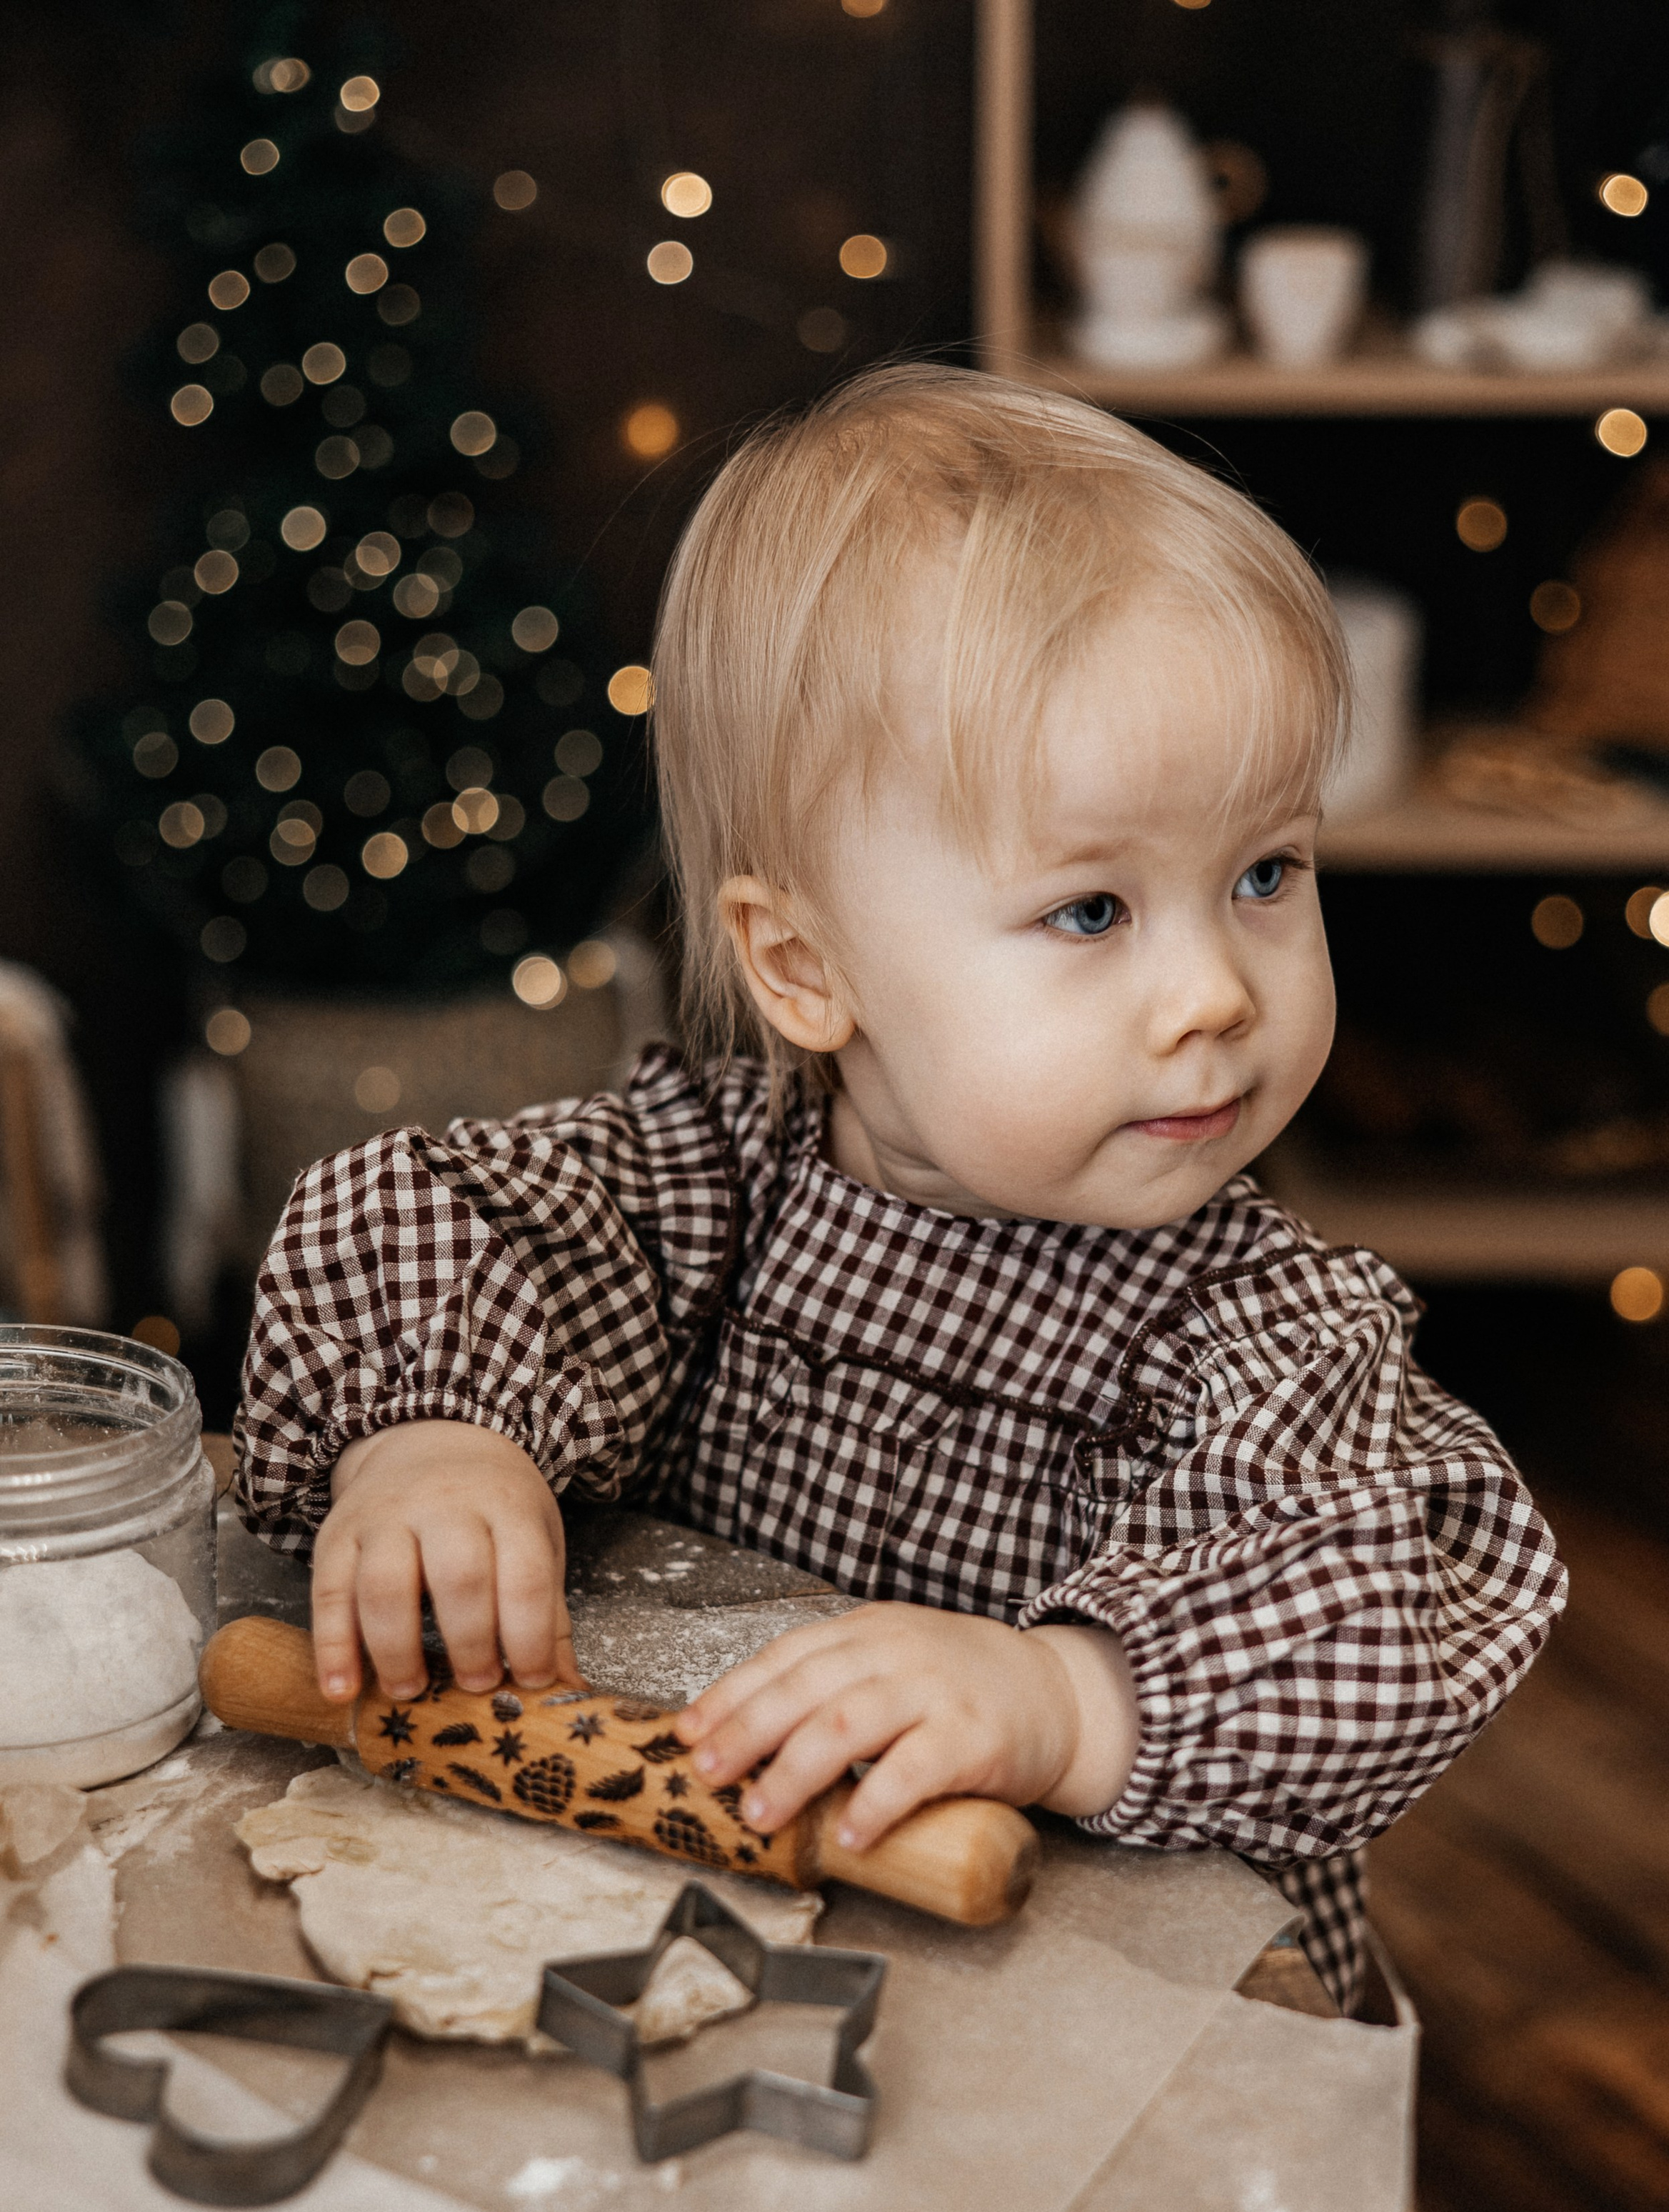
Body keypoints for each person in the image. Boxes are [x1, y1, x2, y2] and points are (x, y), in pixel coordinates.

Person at [236, 364, 1565, 2012]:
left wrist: (1062, 1700)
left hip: (1120, 2032)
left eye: (1263, 875)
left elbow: (1390, 1611)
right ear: (804, 965)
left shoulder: (1264, 1340)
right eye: (1092, 912)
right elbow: (419, 1208)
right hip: (738, 1952)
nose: (1218, 990)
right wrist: (436, 1435)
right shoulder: (700, 1197)